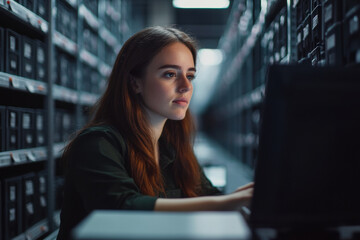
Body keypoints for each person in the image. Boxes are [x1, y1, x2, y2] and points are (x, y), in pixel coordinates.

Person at [57, 26, 254, 240]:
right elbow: (121, 208)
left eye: (190, 75)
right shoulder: (97, 143)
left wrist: (246, 197)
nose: (185, 86)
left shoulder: (172, 146)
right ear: (135, 82)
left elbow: (207, 196)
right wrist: (227, 203)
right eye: (170, 74)